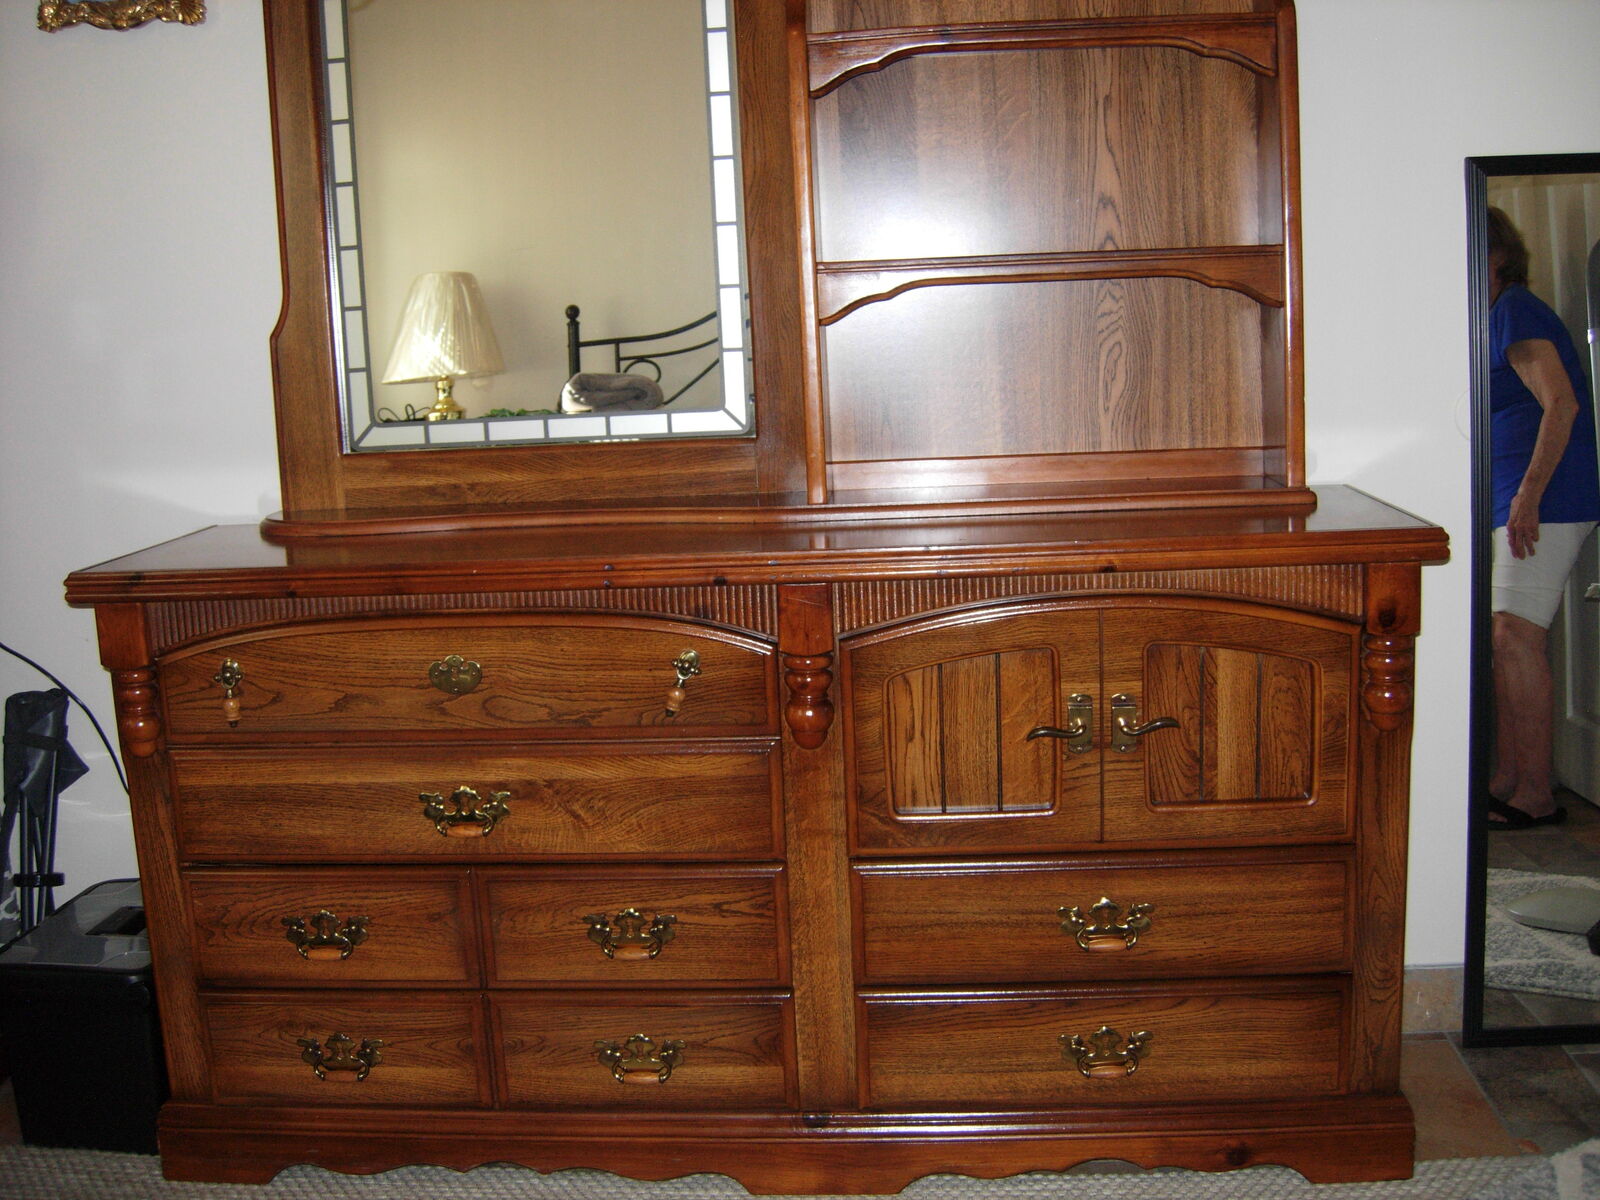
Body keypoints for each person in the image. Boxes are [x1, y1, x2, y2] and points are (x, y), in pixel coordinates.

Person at [1484, 206, 1600, 828]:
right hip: (1521, 500)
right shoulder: (1496, 314)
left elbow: (1561, 405)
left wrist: (1527, 496)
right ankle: (1510, 779)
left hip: (1545, 502)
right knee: (1507, 641)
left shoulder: (1515, 309)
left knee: (1513, 637)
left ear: (1495, 253)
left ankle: (1533, 794)